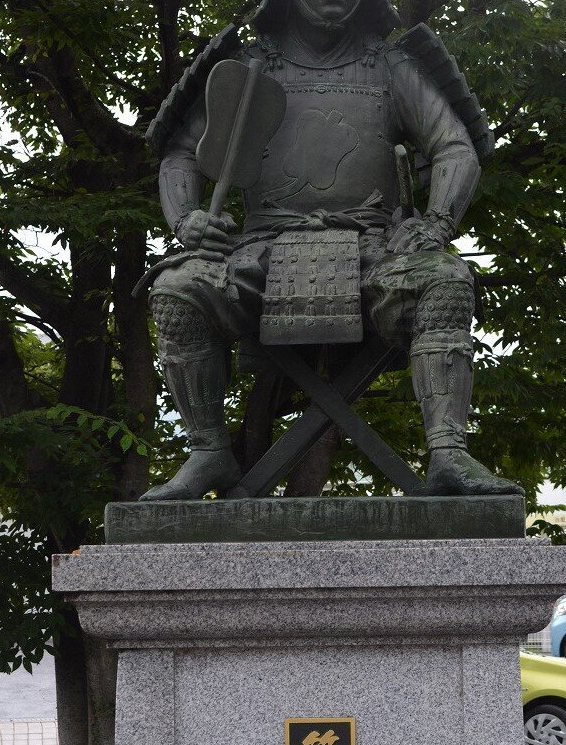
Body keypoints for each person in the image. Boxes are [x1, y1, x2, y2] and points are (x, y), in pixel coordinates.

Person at [140, 0, 523, 500]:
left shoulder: (391, 66)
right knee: (177, 288)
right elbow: (182, 153)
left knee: (446, 280)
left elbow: (453, 145)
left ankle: (448, 452)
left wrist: (436, 223)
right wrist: (188, 219)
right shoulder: (251, 66)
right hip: (262, 249)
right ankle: (208, 450)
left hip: (373, 248)